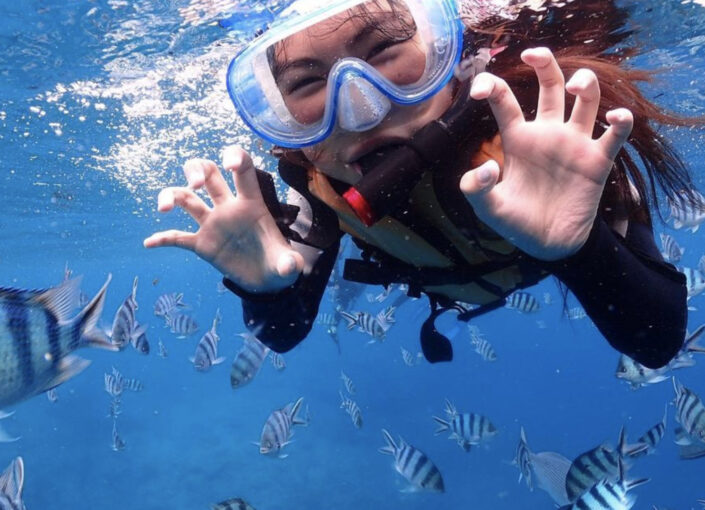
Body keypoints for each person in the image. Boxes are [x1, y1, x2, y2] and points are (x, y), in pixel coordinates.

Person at [144, 0, 699, 369]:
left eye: (385, 50)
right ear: (283, 115)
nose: (361, 109)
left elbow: (656, 340)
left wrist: (580, 248)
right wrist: (262, 288)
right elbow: (283, 333)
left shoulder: (549, 140)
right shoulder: (315, 184)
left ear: (449, 52)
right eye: (308, 83)